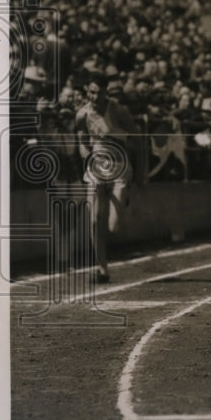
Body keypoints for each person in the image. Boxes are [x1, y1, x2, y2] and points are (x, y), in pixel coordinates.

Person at [74, 71, 140, 283]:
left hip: (119, 166)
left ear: (106, 92)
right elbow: (81, 134)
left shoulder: (118, 110)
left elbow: (136, 136)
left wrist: (123, 147)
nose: (95, 97)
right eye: (92, 92)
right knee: (94, 220)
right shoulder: (82, 114)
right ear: (87, 91)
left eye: (99, 93)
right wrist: (84, 149)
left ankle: (123, 194)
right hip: (96, 168)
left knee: (113, 227)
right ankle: (102, 269)